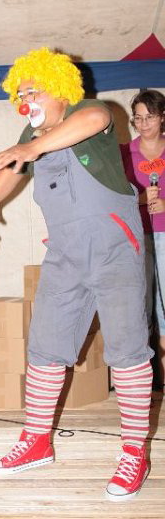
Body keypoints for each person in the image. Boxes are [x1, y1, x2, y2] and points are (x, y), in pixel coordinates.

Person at [0, 48, 153, 502]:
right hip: (66, 255)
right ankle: (37, 441)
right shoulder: (32, 134)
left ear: (59, 89)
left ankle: (134, 452)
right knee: (45, 347)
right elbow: (13, 168)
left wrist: (32, 147)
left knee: (128, 350)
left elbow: (94, 119)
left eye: (32, 91)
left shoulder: (89, 111)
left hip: (115, 249)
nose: (25, 101)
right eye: (20, 94)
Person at [120, 90, 165, 391]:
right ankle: (145, 384)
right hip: (136, 237)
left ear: (163, 118)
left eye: (150, 117)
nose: (144, 123)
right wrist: (139, 198)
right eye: (138, 118)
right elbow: (115, 197)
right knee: (140, 305)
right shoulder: (125, 153)